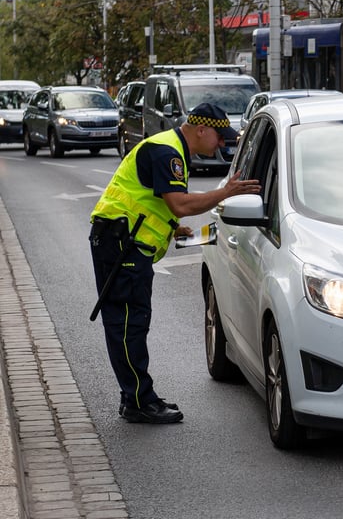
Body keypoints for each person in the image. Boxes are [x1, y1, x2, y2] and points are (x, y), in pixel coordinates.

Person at [89, 103, 261, 425]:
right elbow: (179, 203)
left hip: (122, 243)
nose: (221, 145)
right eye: (219, 138)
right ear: (201, 130)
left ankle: (135, 397)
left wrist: (170, 226)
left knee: (131, 323)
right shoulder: (168, 152)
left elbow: (153, 201)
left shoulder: (171, 148)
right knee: (128, 325)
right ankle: (140, 401)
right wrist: (224, 193)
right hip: (121, 245)